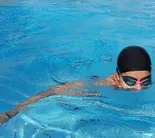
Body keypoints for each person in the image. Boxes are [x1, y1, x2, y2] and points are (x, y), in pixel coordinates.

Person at [0, 46, 152, 126]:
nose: (139, 88)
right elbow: (50, 92)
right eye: (131, 81)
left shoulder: (139, 86)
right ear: (117, 76)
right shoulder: (96, 87)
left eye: (145, 81)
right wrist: (9, 114)